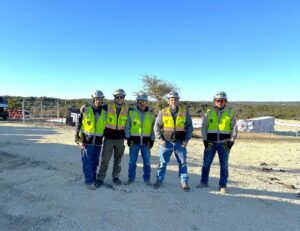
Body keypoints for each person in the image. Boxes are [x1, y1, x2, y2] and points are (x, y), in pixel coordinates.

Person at [197, 91, 238, 193]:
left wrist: (231, 141)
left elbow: (234, 128)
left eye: (222, 100)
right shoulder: (209, 113)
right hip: (210, 143)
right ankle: (203, 182)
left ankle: (222, 185)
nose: (220, 102)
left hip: (224, 144)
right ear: (214, 102)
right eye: (217, 100)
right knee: (206, 164)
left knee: (224, 166)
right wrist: (205, 140)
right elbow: (204, 127)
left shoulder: (230, 113)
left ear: (225, 101)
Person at [153, 91, 193, 191]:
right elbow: (156, 127)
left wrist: (186, 140)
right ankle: (159, 180)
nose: (174, 101)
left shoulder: (184, 112)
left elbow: (189, 127)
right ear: (168, 101)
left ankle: (184, 182)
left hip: (180, 142)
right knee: (163, 163)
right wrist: (160, 140)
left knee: (183, 163)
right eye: (172, 100)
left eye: (175, 99)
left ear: (178, 101)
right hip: (166, 143)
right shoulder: (163, 112)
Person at [95, 89, 129, 187]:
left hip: (120, 140)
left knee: (118, 161)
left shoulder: (128, 109)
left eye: (121, 97)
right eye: (117, 97)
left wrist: (149, 109)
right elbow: (96, 107)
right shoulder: (107, 107)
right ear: (114, 98)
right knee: (105, 160)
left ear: (124, 98)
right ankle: (100, 178)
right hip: (109, 139)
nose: (119, 98)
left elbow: (140, 111)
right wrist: (84, 106)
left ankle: (116, 177)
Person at [75, 90, 106, 190]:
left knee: (95, 162)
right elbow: (78, 123)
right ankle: (89, 181)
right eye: (96, 99)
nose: (98, 101)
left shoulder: (105, 112)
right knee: (87, 162)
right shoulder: (86, 109)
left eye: (100, 99)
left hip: (98, 142)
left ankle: (93, 178)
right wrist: (76, 134)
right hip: (86, 141)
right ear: (93, 99)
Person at [125, 91, 155, 185]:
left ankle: (147, 179)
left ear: (147, 103)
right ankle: (131, 179)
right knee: (132, 162)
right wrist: (128, 139)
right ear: (137, 102)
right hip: (134, 142)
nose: (141, 104)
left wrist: (152, 140)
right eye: (139, 102)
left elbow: (153, 128)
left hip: (146, 143)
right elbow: (127, 126)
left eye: (143, 102)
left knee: (147, 163)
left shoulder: (151, 114)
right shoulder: (131, 113)